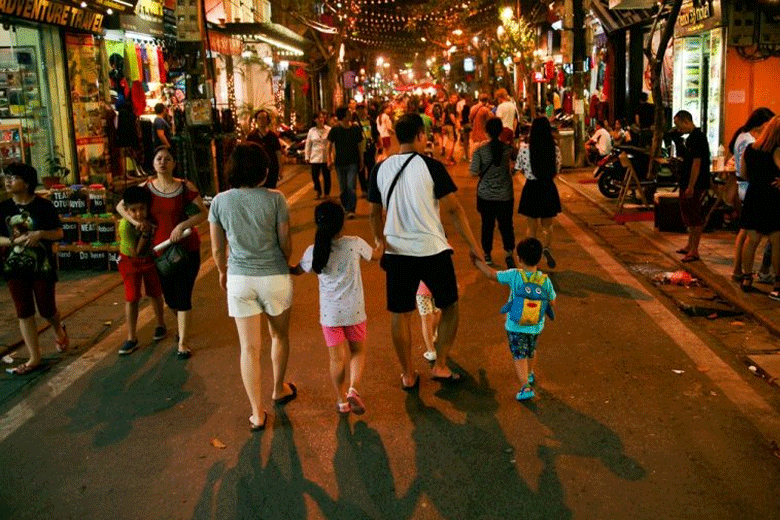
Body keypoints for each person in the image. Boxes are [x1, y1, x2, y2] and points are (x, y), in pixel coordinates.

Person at [368, 114, 482, 387]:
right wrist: (474, 246)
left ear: (396, 136)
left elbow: (374, 214)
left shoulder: (379, 169)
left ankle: (407, 374)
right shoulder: (432, 167)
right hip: (432, 249)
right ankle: (440, 365)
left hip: (397, 251)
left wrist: (379, 241)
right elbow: (454, 208)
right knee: (450, 306)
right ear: (420, 135)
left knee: (400, 313)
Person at [208, 143, 297, 431]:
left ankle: (257, 413)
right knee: (279, 336)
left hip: (239, 279)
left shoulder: (220, 202)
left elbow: (217, 249)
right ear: (264, 170)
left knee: (249, 348)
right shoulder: (276, 199)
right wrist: (285, 262)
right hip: (274, 277)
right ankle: (278, 389)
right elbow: (285, 243)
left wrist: (223, 272)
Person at [116, 146, 208, 358]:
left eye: (167, 159)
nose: (162, 162)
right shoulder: (146, 188)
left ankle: (183, 343)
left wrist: (182, 225)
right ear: (153, 163)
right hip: (159, 253)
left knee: (184, 295)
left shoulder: (184, 186)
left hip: (187, 249)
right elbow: (122, 206)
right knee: (171, 298)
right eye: (158, 158)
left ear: (174, 163)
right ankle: (180, 326)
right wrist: (136, 222)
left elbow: (203, 213)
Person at [292, 200, 381, 414]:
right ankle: (353, 390)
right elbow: (377, 255)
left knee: (336, 358)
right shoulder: (354, 243)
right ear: (342, 223)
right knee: (357, 351)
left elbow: (297, 270)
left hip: (330, 316)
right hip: (354, 311)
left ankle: (342, 401)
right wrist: (380, 241)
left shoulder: (314, 251)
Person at [1, 163, 69, 375]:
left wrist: (39, 234)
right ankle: (34, 358)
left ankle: (58, 328)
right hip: (14, 267)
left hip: (42, 266)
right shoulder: (3, 208)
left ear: (27, 182)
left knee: (46, 308)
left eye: (13, 177)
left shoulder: (44, 206)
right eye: (6, 177)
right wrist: (14, 242)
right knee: (24, 311)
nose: (8, 181)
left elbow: (58, 233)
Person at [471, 237, 556, 401]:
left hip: (515, 325)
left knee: (519, 355)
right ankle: (529, 374)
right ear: (539, 259)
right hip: (536, 325)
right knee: (531, 350)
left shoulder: (514, 275)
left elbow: (491, 274)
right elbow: (552, 300)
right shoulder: (545, 280)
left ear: (519, 258)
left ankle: (525, 386)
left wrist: (478, 262)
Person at [116, 186, 166, 355]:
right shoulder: (125, 226)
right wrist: (145, 233)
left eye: (142, 209)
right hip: (130, 262)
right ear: (127, 210)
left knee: (155, 293)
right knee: (132, 298)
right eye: (133, 210)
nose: (138, 214)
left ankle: (160, 324)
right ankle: (131, 337)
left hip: (149, 260)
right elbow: (136, 251)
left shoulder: (151, 218)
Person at [728, 108, 775, 283]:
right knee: (750, 236)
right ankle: (743, 270)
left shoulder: (741, 135)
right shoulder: (751, 142)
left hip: (744, 186)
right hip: (750, 189)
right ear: (763, 124)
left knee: (745, 233)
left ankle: (739, 270)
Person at [737, 115, 780, 299]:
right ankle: (778, 282)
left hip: (754, 196)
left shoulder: (750, 149)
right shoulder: (777, 151)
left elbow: (744, 173)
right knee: (777, 241)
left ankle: (747, 278)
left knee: (751, 239)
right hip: (773, 199)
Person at [515, 117, 562, 269]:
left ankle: (531, 255)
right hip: (548, 187)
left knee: (531, 226)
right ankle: (546, 248)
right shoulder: (554, 149)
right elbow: (557, 168)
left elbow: (519, 168)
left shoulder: (524, 149)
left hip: (531, 188)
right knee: (547, 226)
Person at [470, 117, 517, 269]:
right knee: (506, 225)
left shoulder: (480, 151)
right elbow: (518, 162)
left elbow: (473, 171)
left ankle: (487, 254)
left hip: (486, 195)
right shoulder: (508, 149)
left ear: (486, 132)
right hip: (505, 194)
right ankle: (509, 253)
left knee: (487, 225)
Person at [673, 110, 711, 263]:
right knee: (688, 214)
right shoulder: (690, 138)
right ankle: (689, 245)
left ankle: (694, 250)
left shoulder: (698, 137)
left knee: (695, 217)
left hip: (696, 183)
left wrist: (691, 186)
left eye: (679, 125)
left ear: (686, 121)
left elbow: (697, 163)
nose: (679, 129)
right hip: (687, 181)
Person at [328, 106, 364, 219]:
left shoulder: (355, 129)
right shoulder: (335, 129)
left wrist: (361, 160)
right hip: (339, 163)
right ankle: (345, 207)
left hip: (353, 162)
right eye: (348, 113)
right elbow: (329, 146)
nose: (350, 114)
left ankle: (351, 209)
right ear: (343, 116)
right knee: (343, 187)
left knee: (351, 186)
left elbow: (360, 146)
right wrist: (329, 160)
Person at [246, 109, 283, 189]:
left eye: (264, 118)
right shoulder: (252, 136)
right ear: (256, 120)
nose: (261, 120)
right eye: (259, 118)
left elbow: (278, 153)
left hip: (271, 169)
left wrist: (280, 169)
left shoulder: (273, 136)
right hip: (257, 169)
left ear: (267, 120)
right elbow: (247, 153)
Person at [305, 111, 331, 199]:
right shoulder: (311, 131)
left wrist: (332, 157)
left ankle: (327, 193)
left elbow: (332, 144)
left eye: (322, 117)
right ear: (314, 120)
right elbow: (308, 144)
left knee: (326, 176)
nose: (320, 119)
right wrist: (307, 156)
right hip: (315, 157)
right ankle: (318, 191)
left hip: (326, 157)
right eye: (318, 118)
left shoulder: (328, 129)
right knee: (315, 176)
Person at [417, 281, 441, 362]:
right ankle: (434, 335)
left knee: (426, 318)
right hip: (437, 285)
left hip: (421, 289)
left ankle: (431, 351)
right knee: (436, 311)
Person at [356, 103, 375, 197]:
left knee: (371, 168)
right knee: (361, 169)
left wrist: (380, 145)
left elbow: (375, 133)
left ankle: (369, 186)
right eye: (359, 109)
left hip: (370, 148)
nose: (361, 111)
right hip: (359, 150)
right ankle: (364, 189)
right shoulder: (354, 123)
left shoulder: (371, 121)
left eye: (363, 109)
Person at [442, 93, 459, 166]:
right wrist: (456, 124)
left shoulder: (447, 106)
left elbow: (443, 115)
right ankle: (447, 159)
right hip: (450, 125)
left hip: (446, 125)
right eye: (454, 98)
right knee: (452, 142)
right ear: (450, 99)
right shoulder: (451, 106)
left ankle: (451, 157)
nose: (455, 99)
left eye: (456, 98)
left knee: (451, 141)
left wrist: (442, 125)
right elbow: (451, 115)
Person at [460, 93, 473, 162]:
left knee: (465, 141)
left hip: (464, 125)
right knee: (471, 141)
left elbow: (461, 118)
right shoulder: (472, 108)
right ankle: (470, 156)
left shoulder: (463, 109)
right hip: (470, 125)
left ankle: (466, 155)